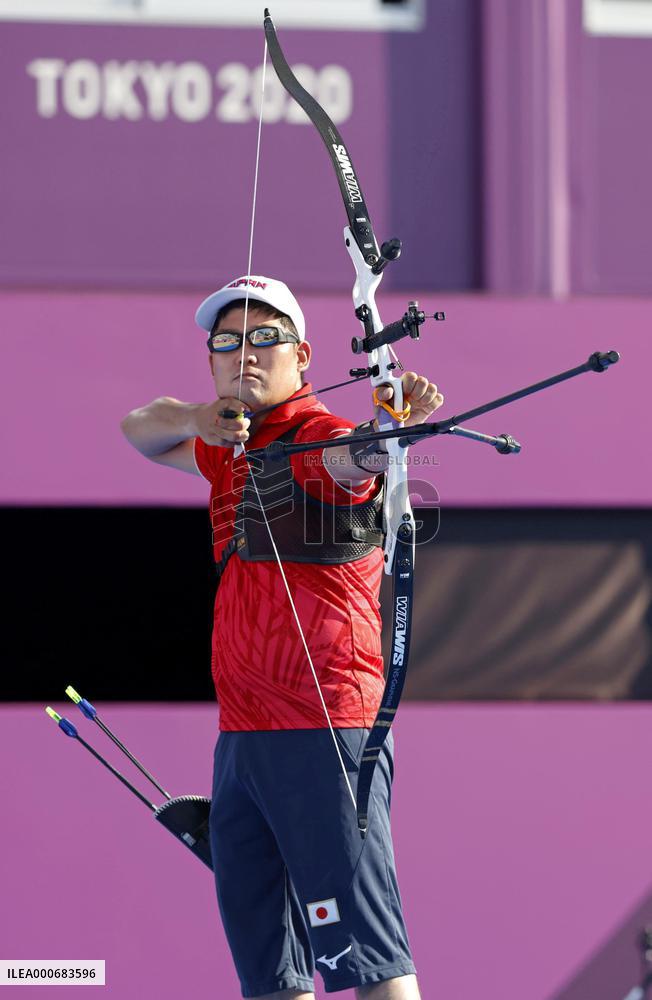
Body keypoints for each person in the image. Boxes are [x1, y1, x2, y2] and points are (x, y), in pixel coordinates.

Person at [121, 275, 444, 999]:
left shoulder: (314, 436)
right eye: (227, 343)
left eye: (265, 339)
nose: (245, 354)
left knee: (371, 958)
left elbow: (350, 460)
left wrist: (388, 434)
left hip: (322, 723)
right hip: (242, 735)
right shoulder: (227, 442)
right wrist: (202, 417)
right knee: (274, 971)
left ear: (303, 356)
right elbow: (140, 428)